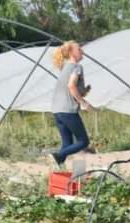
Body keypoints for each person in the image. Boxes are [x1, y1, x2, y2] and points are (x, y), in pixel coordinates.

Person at [51, 41, 93, 169]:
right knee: (83, 141)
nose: (82, 51)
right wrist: (84, 103)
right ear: (71, 53)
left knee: (67, 143)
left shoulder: (65, 68)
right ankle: (57, 156)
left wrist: (84, 91)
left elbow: (72, 88)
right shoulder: (76, 67)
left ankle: (59, 169)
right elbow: (71, 86)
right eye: (79, 49)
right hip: (68, 110)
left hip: (57, 111)